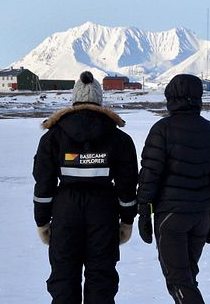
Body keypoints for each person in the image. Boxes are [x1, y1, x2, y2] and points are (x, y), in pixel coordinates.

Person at [33, 71, 138, 304]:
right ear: (99, 100)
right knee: (101, 280)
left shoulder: (53, 137)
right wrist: (127, 220)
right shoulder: (119, 139)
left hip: (65, 213)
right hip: (104, 213)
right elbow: (127, 185)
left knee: (63, 280)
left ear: (74, 100)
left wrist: (42, 221)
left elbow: (43, 183)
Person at [137, 73, 210, 304]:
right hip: (201, 216)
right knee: (188, 277)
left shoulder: (162, 130)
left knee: (179, 281)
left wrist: (143, 212)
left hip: (171, 217)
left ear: (171, 97)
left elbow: (149, 175)